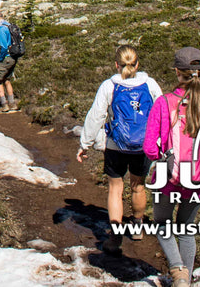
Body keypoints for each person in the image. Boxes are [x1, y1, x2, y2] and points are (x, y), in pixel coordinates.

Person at [143, 47, 200, 287]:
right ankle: (186, 280)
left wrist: (163, 160)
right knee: (186, 228)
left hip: (169, 177)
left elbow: (149, 146)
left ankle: (178, 271)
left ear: (177, 72)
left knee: (162, 223)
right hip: (199, 178)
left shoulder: (164, 103)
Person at [76, 44, 163, 255]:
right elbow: (162, 112)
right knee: (138, 186)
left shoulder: (109, 86)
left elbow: (96, 115)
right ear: (137, 64)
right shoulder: (150, 84)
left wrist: (84, 144)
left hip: (115, 145)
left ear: (116, 65)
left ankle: (114, 237)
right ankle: (137, 227)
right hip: (143, 145)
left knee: (115, 189)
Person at [0, 11, 18, 112]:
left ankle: (4, 105)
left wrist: (0, 58)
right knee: (7, 80)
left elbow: (4, 46)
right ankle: (12, 103)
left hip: (6, 57)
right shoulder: (9, 25)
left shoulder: (1, 29)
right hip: (14, 57)